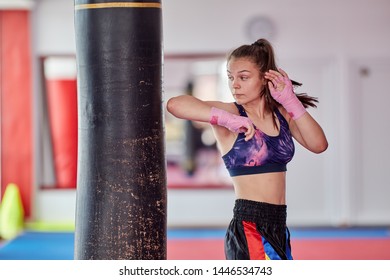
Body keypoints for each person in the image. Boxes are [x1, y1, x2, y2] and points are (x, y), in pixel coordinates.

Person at [166, 38, 328, 260]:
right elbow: (174, 105)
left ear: (264, 79)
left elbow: (319, 145)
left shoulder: (281, 115)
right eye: (231, 77)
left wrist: (291, 101)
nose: (235, 85)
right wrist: (227, 119)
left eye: (243, 77)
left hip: (279, 226)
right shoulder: (231, 113)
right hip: (250, 226)